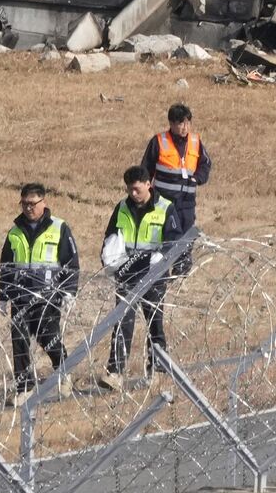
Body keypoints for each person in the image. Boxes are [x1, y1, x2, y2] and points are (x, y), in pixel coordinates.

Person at [97, 166, 185, 390]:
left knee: (154, 321)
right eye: (129, 190)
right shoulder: (122, 207)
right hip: (127, 272)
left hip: (154, 273)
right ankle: (115, 371)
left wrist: (162, 257)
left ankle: (156, 369)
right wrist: (108, 254)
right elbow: (111, 235)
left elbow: (174, 240)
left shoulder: (165, 208)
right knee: (122, 321)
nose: (132, 194)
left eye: (136, 189)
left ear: (148, 184)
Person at [0, 183, 80, 401]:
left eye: (32, 204)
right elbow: (6, 265)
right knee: (20, 341)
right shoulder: (15, 232)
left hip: (48, 296)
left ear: (43, 202)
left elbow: (70, 263)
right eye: (24, 204)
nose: (28, 208)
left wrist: (69, 291)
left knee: (48, 337)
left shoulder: (59, 228)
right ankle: (24, 388)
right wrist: (3, 295)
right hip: (20, 296)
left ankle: (63, 373)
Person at [142, 103, 211, 243]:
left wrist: (198, 178)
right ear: (171, 123)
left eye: (188, 123)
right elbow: (145, 170)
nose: (185, 127)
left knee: (185, 243)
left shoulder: (195, 141)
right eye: (181, 123)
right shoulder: (159, 141)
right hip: (164, 202)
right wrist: (146, 196)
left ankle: (183, 265)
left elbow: (205, 164)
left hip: (187, 203)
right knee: (164, 242)